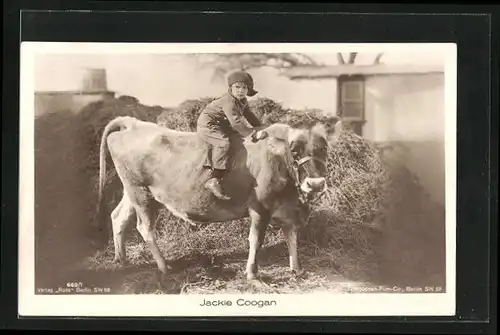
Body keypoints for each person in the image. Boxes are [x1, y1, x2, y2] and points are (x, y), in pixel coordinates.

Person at [196, 70, 268, 200]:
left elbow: (249, 115)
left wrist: (261, 127)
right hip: (208, 125)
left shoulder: (242, 101)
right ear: (231, 88)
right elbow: (235, 122)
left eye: (244, 88)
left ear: (248, 89)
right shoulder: (228, 101)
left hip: (222, 124)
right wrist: (253, 134)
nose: (240, 90)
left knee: (238, 140)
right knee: (224, 143)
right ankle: (214, 178)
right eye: (237, 87)